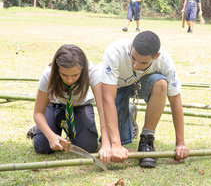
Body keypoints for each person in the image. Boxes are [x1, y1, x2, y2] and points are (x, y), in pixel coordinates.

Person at [101, 31, 189, 168]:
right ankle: (128, 113)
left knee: (161, 84)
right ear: (132, 47)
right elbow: (107, 98)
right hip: (117, 88)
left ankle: (147, 139)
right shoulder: (115, 52)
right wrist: (116, 144)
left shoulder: (165, 61)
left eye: (143, 62)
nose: (136, 65)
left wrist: (180, 144)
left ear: (156, 57)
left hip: (140, 84)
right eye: (133, 58)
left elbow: (175, 100)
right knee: (119, 139)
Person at [27, 44, 110, 163]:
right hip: (53, 106)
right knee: (43, 147)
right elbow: (38, 113)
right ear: (57, 69)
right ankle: (40, 128)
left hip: (80, 107)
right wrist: (50, 136)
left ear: (83, 69)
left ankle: (70, 129)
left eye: (75, 75)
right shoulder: (48, 74)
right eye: (64, 75)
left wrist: (106, 144)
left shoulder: (92, 71)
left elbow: (103, 110)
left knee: (88, 147)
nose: (70, 80)